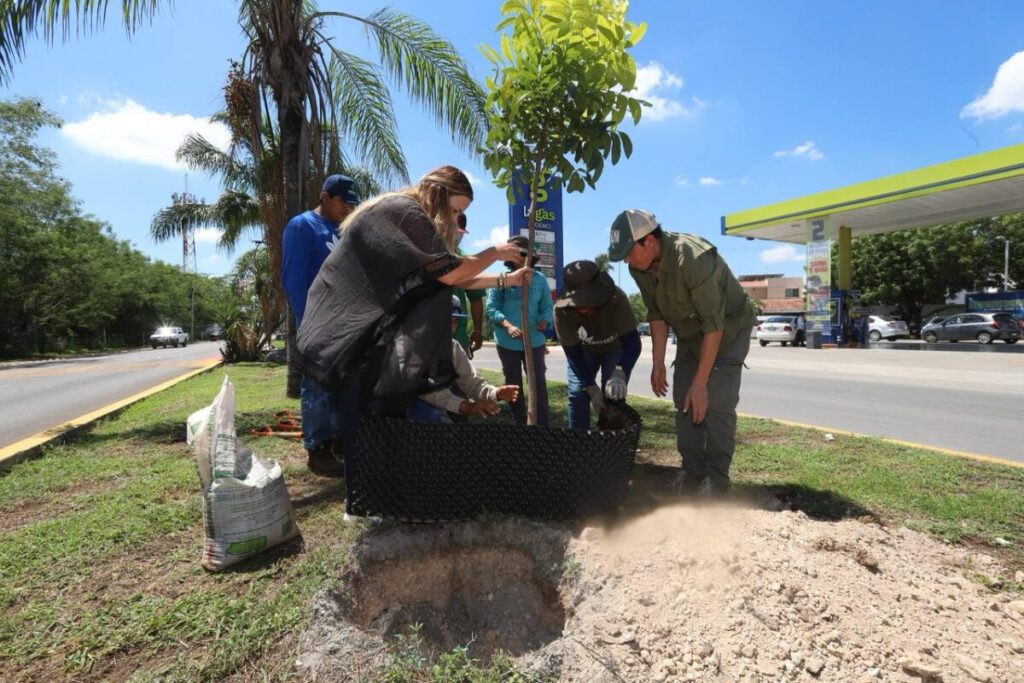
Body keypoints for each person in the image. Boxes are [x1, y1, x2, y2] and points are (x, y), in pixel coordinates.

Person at [296, 165, 528, 512]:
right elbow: (451, 274)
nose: (455, 219)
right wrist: (495, 252)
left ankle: (372, 496)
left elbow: (450, 274)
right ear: (438, 194)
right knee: (364, 418)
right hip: (346, 331)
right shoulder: (403, 213)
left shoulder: (406, 215)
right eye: (455, 210)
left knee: (377, 416)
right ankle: (361, 502)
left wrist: (506, 281)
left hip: (362, 332)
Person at [608, 209, 757, 496]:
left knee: (716, 404)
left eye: (628, 251)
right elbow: (656, 315)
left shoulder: (691, 257)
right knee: (684, 402)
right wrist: (659, 363)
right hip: (690, 334)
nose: (626, 259)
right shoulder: (637, 268)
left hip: (726, 331)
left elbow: (715, 325)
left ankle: (716, 482)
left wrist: (701, 383)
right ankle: (692, 473)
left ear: (649, 241)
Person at [280, 174, 361, 477]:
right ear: (325, 197)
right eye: (344, 202)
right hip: (318, 323)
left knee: (342, 385)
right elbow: (293, 279)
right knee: (317, 386)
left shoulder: (344, 230)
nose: (348, 208)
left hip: (346, 325)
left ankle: (340, 440)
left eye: (352, 204)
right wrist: (308, 322)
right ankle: (319, 450)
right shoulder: (302, 226)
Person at [554, 260, 641, 430]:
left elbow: (632, 343)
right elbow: (572, 352)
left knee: (614, 394)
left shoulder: (618, 299)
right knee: (578, 392)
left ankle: (611, 440)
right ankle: (578, 442)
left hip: (615, 349)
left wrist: (620, 373)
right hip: (583, 351)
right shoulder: (561, 311)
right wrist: (590, 386)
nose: (584, 308)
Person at [486, 235, 553, 427]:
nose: (522, 259)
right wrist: (507, 325)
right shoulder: (502, 279)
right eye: (518, 254)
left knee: (538, 383)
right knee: (514, 385)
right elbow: (491, 308)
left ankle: (542, 426)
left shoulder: (539, 280)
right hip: (507, 342)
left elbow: (547, 307)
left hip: (535, 341)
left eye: (525, 255)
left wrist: (545, 320)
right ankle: (520, 425)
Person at [418, 295, 520, 419]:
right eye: (445, 320)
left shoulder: (453, 347)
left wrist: (496, 393)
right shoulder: (413, 347)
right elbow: (426, 390)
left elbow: (470, 381)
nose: (450, 327)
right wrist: (465, 406)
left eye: (454, 322)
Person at [452, 214, 486, 358]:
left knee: (461, 376)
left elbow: (476, 299)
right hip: (430, 327)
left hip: (458, 331)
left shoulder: (468, 261)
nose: (456, 237)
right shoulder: (426, 255)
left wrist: (477, 330)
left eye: (460, 233)